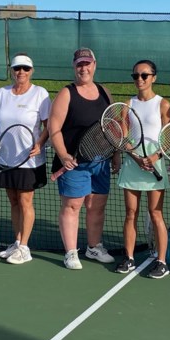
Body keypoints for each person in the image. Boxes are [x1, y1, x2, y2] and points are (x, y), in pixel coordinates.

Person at [48, 47, 117, 270]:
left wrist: (116, 155)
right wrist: (63, 154)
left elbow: (113, 127)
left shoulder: (105, 92)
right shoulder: (66, 93)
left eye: (87, 64)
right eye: (79, 64)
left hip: (100, 161)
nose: (83, 68)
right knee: (72, 206)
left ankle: (94, 246)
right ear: (74, 67)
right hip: (74, 163)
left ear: (94, 65)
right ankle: (70, 252)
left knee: (97, 205)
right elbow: (53, 127)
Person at [0, 53, 51, 266]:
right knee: (13, 200)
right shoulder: (2, 93)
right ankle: (17, 241)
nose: (21, 72)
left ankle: (25, 247)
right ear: (11, 70)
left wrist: (40, 143)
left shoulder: (40, 94)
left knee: (25, 201)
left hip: (29, 160)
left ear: (31, 71)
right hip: (6, 158)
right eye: (17, 69)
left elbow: (49, 125)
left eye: (25, 68)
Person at [114, 60, 170, 279]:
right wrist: (136, 157)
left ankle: (162, 261)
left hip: (154, 161)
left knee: (156, 213)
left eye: (144, 75)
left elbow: (169, 139)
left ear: (153, 77)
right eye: (136, 75)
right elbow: (123, 137)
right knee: (130, 213)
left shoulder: (163, 105)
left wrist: (155, 156)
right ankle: (128, 257)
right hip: (133, 163)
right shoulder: (127, 104)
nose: (140, 79)